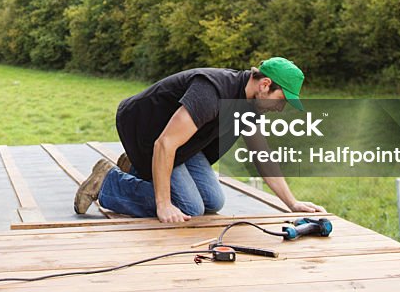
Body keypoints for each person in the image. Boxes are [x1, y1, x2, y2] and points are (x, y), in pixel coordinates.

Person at [74, 57, 325, 223]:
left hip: (182, 141)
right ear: (265, 84)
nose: (281, 108)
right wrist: (162, 204)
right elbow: (164, 144)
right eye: (281, 100)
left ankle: (138, 168)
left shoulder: (250, 105)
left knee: (213, 201)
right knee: (190, 207)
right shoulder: (212, 92)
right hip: (147, 130)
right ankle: (108, 182)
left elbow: (263, 158)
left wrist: (292, 203)